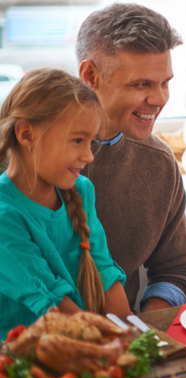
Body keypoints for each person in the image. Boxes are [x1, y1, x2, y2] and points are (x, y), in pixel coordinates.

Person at [76, 3, 186, 311]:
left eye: (165, 82)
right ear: (90, 75)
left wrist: (145, 333)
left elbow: (176, 269)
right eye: (141, 84)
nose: (159, 100)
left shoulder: (158, 163)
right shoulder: (19, 156)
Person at [0, 69, 132, 337]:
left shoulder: (81, 191)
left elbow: (103, 270)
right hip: (22, 359)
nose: (88, 156)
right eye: (77, 140)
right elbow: (53, 303)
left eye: (90, 142)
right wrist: (113, 343)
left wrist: (132, 332)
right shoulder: (5, 214)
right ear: (26, 134)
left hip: (84, 336)